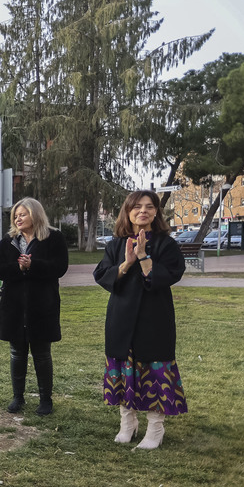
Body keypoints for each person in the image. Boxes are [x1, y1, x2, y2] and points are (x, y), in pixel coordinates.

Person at [93, 190, 187, 449]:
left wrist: (144, 257)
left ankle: (156, 428)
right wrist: (126, 263)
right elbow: (102, 276)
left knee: (155, 370)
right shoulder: (115, 244)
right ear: (128, 211)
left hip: (154, 318)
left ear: (156, 212)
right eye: (137, 206)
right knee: (124, 367)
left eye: (149, 207)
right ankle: (128, 422)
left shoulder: (166, 244)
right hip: (121, 317)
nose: (143, 211)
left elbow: (170, 275)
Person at [0, 198, 69, 415]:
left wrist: (33, 265)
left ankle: (46, 400)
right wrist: (19, 267)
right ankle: (18, 397)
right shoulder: (8, 240)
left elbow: (60, 267)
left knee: (42, 353)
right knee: (17, 353)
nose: (18, 218)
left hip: (42, 305)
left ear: (35, 214)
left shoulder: (54, 238)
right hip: (14, 306)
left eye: (22, 214)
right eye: (16, 215)